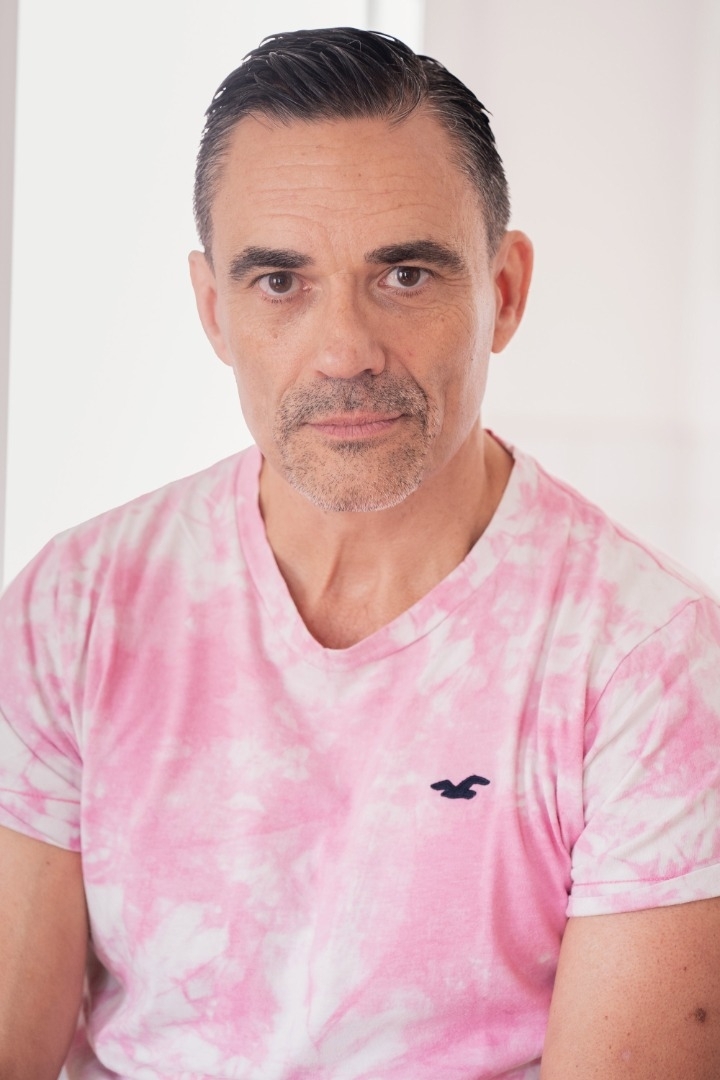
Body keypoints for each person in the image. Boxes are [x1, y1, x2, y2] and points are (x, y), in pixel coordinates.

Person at [1, 26, 719, 1080]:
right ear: (213, 310)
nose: (345, 351)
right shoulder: (74, 607)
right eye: (279, 282)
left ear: (505, 291)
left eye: (406, 274)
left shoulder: (651, 662)